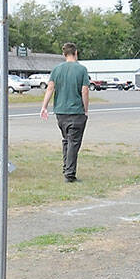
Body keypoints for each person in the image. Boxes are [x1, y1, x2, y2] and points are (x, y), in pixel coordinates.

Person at [39, 42, 91, 182]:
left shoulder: (56, 69)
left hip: (61, 112)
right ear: (76, 53)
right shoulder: (82, 69)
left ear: (64, 54)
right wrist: (85, 109)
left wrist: (44, 106)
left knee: (67, 140)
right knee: (74, 142)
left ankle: (66, 167)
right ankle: (70, 173)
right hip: (76, 111)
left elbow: (50, 88)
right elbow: (84, 90)